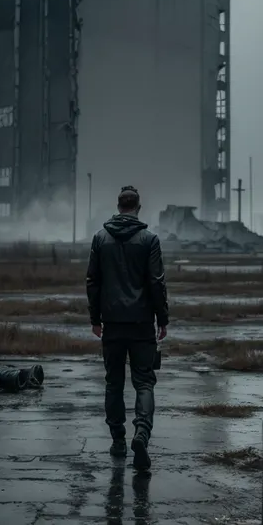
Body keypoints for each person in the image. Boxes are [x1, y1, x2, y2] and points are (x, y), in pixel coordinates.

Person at [86, 185, 169, 471]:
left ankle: (118, 441)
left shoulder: (100, 239)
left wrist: (95, 319)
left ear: (119, 206)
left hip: (112, 325)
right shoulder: (150, 240)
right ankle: (142, 436)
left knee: (113, 383)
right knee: (144, 382)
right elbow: (156, 281)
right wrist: (163, 318)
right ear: (138, 208)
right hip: (142, 323)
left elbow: (92, 282)